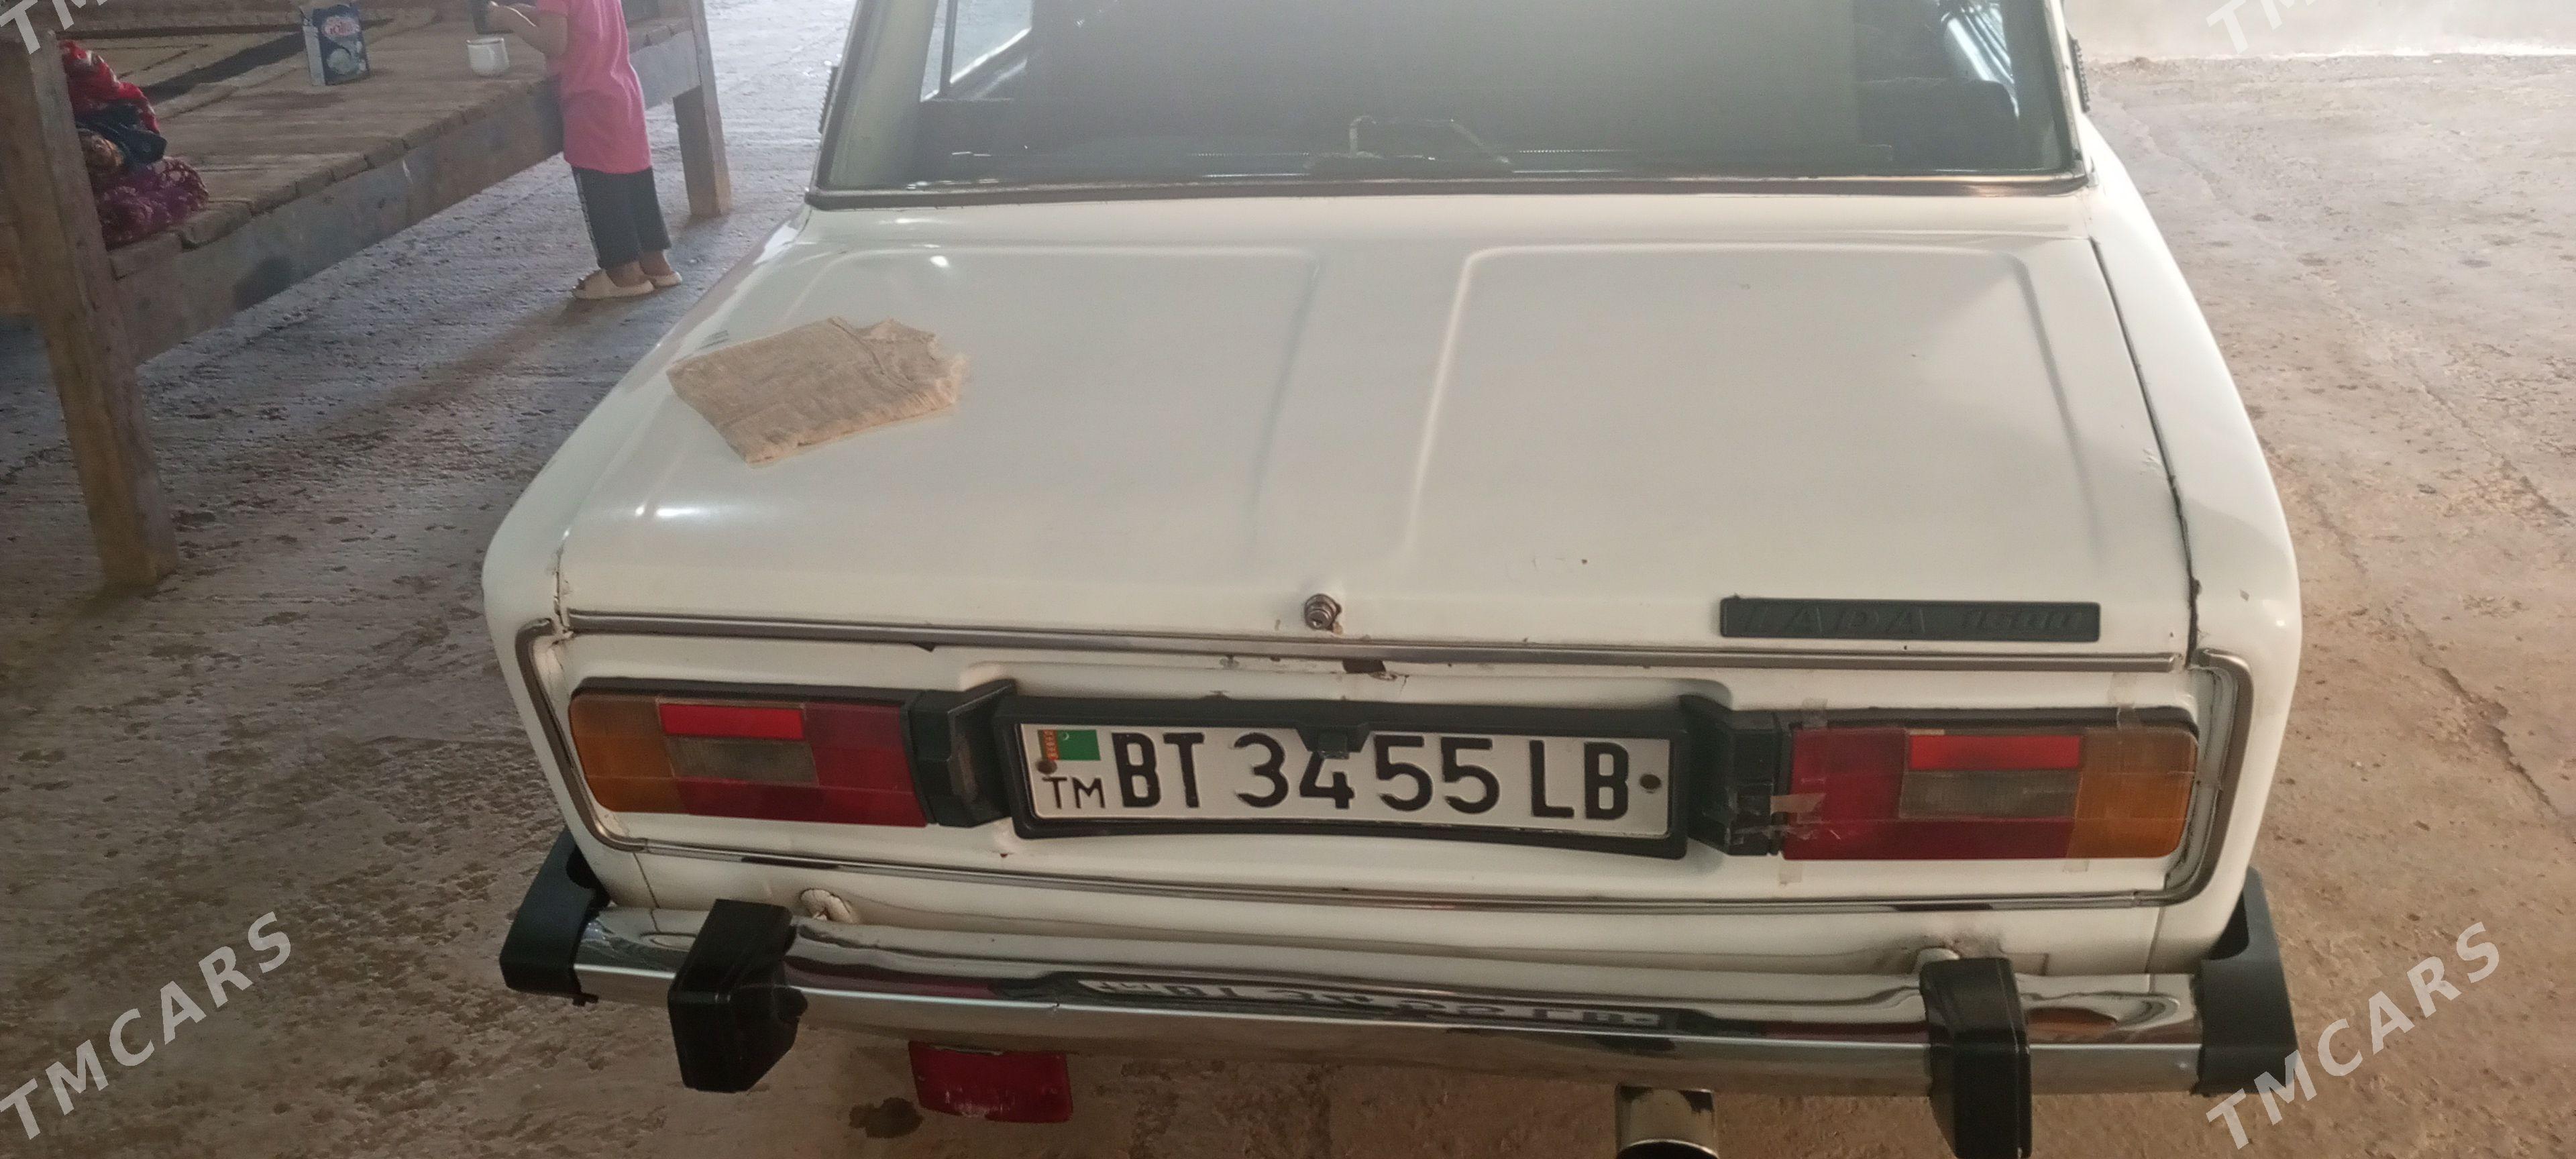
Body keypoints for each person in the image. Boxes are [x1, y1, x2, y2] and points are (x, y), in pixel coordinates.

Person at [487, 0, 681, 300]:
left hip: (589, 99)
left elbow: (554, 43)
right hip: (623, 89)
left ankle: (622, 274)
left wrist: (510, 18)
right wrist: (533, 13)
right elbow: (580, 19)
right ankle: (656, 263)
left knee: (600, 184)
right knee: (635, 178)